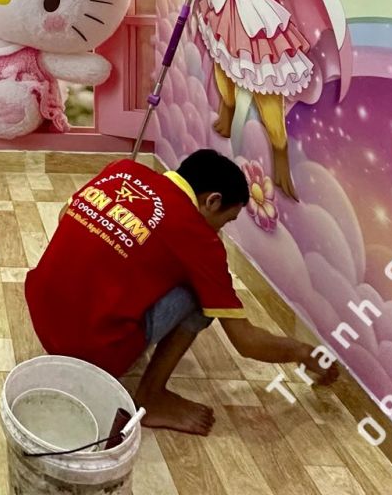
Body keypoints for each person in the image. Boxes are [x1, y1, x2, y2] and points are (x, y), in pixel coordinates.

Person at [24, 148, 338, 434]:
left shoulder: (123, 170)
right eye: (225, 221)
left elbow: (64, 215)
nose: (219, 230)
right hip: (94, 353)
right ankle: (151, 397)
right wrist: (303, 353)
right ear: (212, 201)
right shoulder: (200, 239)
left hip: (43, 319)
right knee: (201, 299)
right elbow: (245, 341)